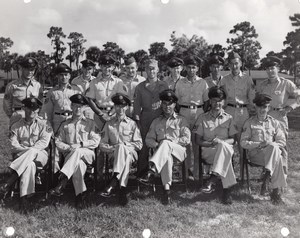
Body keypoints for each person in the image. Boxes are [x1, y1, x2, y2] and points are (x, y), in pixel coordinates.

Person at [139, 89, 191, 204]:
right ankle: (167, 191)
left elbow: (186, 139)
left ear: (174, 104)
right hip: (163, 154)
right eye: (164, 103)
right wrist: (159, 145)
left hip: (179, 152)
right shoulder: (156, 121)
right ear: (161, 105)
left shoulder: (181, 120)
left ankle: (151, 170)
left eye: (170, 104)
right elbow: (148, 140)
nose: (167, 106)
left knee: (166, 143)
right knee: (166, 156)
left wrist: (169, 142)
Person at [49, 94, 100, 208]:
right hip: (71, 156)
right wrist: (69, 148)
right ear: (71, 106)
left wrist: (80, 145)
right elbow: (58, 141)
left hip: (88, 154)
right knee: (78, 167)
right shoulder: (65, 124)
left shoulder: (90, 123)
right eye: (75, 106)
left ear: (84, 108)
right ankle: (80, 196)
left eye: (80, 106)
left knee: (78, 151)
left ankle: (63, 181)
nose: (77, 109)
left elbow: (96, 141)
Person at [0, 97, 51, 212]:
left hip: (40, 155)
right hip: (23, 157)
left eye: (34, 109)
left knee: (32, 151)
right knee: (29, 166)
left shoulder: (44, 124)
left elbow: (43, 143)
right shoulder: (16, 126)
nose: (31, 111)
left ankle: (10, 180)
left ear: (38, 110)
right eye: (28, 108)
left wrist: (28, 150)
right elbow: (13, 146)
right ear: (23, 109)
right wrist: (28, 151)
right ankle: (24, 200)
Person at [240, 93, 287, 204]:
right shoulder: (249, 122)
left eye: (265, 107)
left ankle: (268, 178)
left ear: (269, 108)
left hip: (270, 156)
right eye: (260, 107)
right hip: (256, 155)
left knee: (274, 149)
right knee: (276, 154)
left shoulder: (274, 123)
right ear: (255, 107)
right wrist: (259, 144)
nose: (262, 109)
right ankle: (274, 190)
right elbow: (243, 142)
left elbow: (282, 141)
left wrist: (271, 144)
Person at [195, 86, 237, 204]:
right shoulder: (202, 118)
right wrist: (211, 143)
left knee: (224, 148)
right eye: (214, 100)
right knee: (226, 153)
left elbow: (233, 140)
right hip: (209, 151)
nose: (217, 103)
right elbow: (197, 140)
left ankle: (212, 180)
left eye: (219, 101)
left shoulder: (229, 118)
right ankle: (226, 191)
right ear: (210, 101)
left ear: (223, 102)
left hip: (224, 150)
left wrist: (221, 143)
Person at [257, 56, 300, 170]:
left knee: (282, 146)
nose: (270, 71)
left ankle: (283, 173)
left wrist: (289, 108)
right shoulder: (262, 85)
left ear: (278, 68)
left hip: (280, 118)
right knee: (266, 145)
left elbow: (298, 97)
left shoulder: (286, 83)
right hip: (265, 119)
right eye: (268, 68)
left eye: (272, 68)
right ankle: (266, 172)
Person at [99, 93, 142, 205]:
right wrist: (115, 148)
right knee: (123, 155)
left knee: (123, 149)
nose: (120, 109)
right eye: (118, 106)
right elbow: (102, 144)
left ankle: (114, 180)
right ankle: (123, 190)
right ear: (115, 107)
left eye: (123, 106)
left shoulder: (132, 124)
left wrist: (124, 146)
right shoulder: (109, 124)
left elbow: (139, 144)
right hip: (114, 155)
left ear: (127, 107)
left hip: (131, 154)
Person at [219, 52, 256, 177]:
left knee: (242, 144)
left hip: (243, 112)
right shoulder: (224, 80)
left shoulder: (247, 79)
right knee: (227, 142)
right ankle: (228, 175)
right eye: (231, 64)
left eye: (236, 63)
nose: (234, 66)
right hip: (228, 112)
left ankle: (242, 176)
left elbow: (251, 98)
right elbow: (221, 98)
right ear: (228, 65)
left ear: (240, 63)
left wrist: (252, 114)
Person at [175, 55, 209, 180]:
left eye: (193, 67)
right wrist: (182, 112)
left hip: (198, 112)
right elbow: (176, 102)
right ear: (185, 68)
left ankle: (197, 172)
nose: (191, 70)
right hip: (184, 112)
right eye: (189, 67)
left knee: (197, 143)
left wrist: (201, 113)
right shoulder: (180, 82)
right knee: (185, 142)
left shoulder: (202, 82)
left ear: (197, 68)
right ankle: (186, 172)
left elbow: (206, 101)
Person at [133, 58, 169, 176]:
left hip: (160, 118)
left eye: (153, 68)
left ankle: (161, 172)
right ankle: (142, 172)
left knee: (161, 144)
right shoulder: (140, 87)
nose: (151, 71)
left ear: (157, 69)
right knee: (144, 146)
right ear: (145, 70)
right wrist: (138, 123)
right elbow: (137, 106)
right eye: (148, 69)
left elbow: (168, 102)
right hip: (145, 118)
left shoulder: (164, 85)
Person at [86, 54, 124, 130]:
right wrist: (100, 114)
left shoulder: (118, 82)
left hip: (114, 115)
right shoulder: (94, 82)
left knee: (114, 139)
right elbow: (90, 100)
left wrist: (110, 114)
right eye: (104, 66)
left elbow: (120, 101)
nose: (107, 69)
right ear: (100, 66)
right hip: (99, 116)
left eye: (109, 66)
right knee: (99, 138)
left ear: (113, 67)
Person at [3, 56, 43, 128]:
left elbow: (41, 104)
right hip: (17, 117)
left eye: (32, 70)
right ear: (22, 69)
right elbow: (6, 105)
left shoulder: (37, 86)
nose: (29, 72)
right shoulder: (12, 86)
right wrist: (13, 115)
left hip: (33, 119)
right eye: (27, 69)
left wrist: (36, 115)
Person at [41, 63, 80, 134]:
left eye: (66, 75)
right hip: (57, 121)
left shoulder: (76, 90)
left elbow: (80, 108)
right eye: (61, 75)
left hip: (71, 119)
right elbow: (47, 112)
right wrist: (49, 126)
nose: (64, 77)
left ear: (69, 76)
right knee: (57, 142)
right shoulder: (52, 92)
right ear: (57, 76)